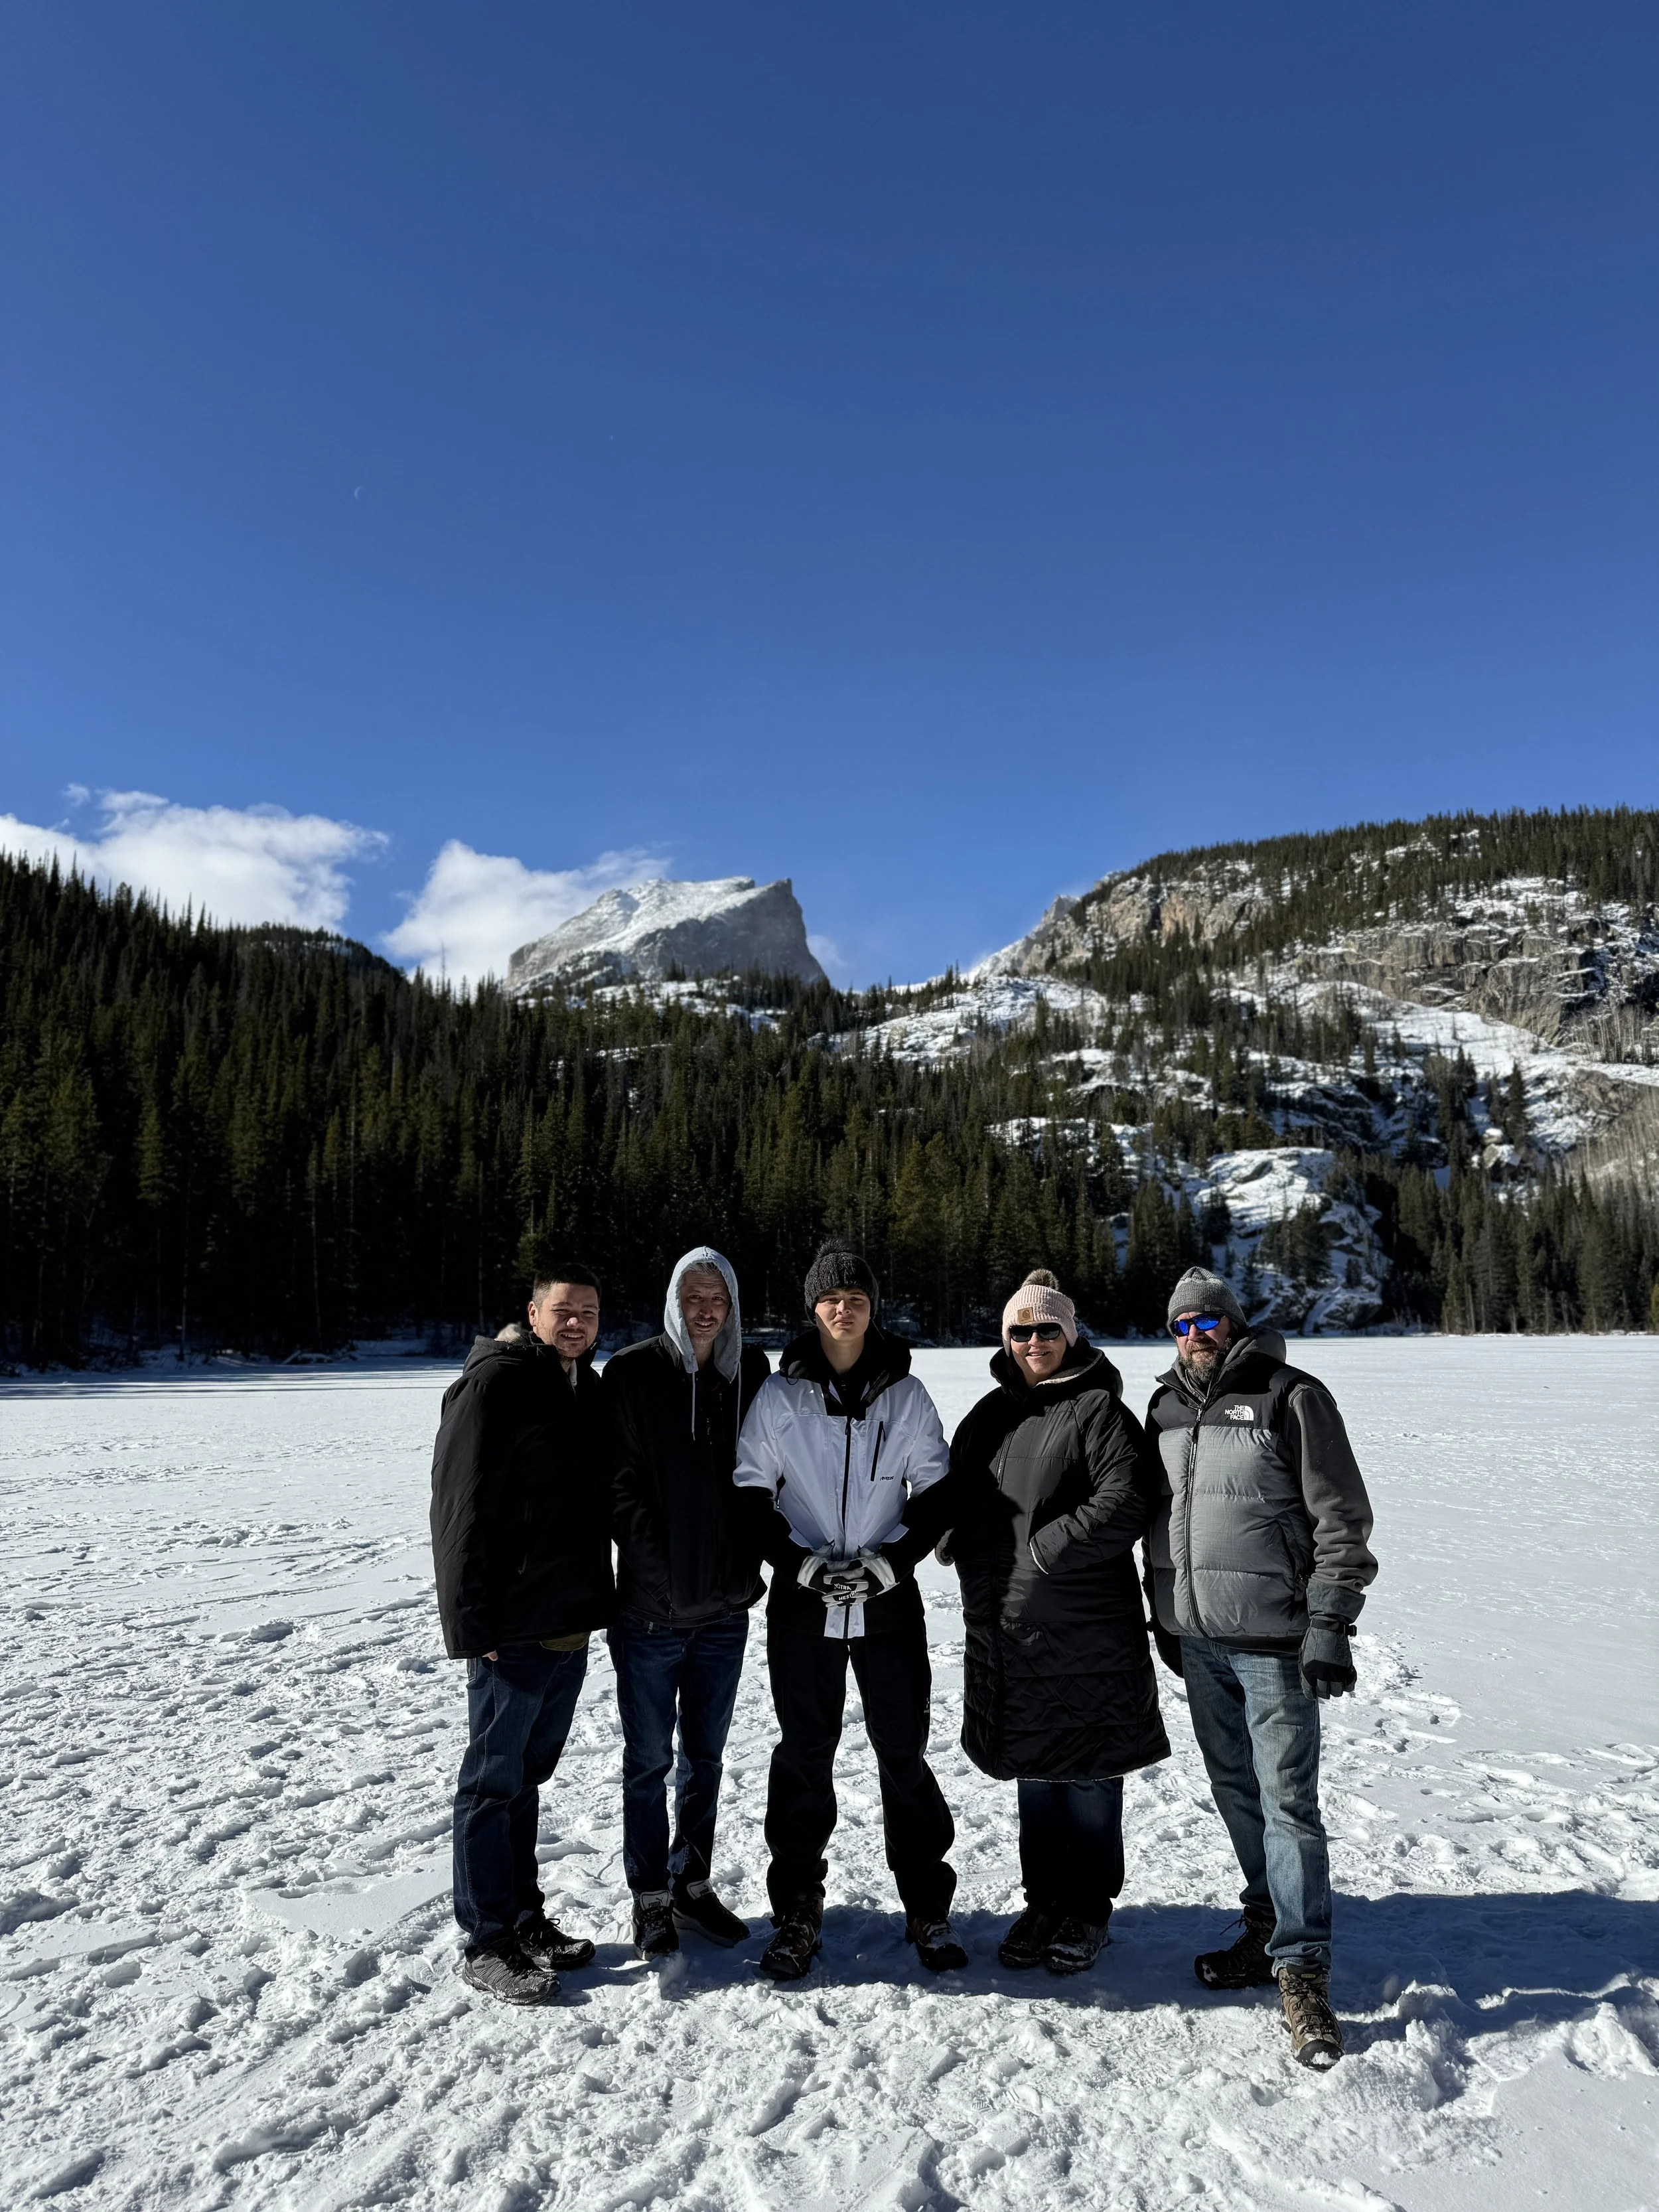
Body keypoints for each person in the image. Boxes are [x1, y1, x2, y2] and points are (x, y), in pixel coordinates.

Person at [1144, 1266, 1378, 2069]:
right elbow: (1160, 1521)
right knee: (1235, 1790)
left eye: (1207, 1322)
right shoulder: (1164, 1405)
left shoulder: (1291, 1396)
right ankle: (1263, 1926)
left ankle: (1303, 1971)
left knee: (1287, 1802)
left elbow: (1340, 1516)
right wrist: (1164, 1613)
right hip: (1197, 1639)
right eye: (1181, 1325)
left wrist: (1330, 1621)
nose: (1195, 1336)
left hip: (1275, 1639)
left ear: (1232, 1324)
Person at [733, 1241, 963, 1980]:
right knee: (803, 1757)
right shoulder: (778, 1396)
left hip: (888, 1607)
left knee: (903, 1755)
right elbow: (749, 1494)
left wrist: (890, 1565)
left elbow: (935, 1496)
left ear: (872, 1306)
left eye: (856, 1297)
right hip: (803, 1608)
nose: (843, 1308)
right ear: (813, 1307)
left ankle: (927, 1907)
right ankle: (796, 1912)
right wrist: (797, 1565)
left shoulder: (908, 1395)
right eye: (830, 1298)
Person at [947, 1270, 1169, 1976]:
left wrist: (1044, 1547)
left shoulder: (1099, 1411)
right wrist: (959, 1536)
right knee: (1034, 1771)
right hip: (1008, 1626)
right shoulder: (987, 1414)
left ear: (1070, 1336)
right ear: (1005, 1339)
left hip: (1086, 1629)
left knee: (1091, 1773)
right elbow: (960, 1492)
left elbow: (1127, 1499)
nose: (1034, 1341)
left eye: (1048, 1330)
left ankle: (1089, 1908)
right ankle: (1043, 1902)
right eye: (1021, 1331)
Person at [429, 1263, 616, 2005]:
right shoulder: (493, 1385)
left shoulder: (584, 1389)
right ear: (532, 1315)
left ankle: (524, 1918)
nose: (576, 1324)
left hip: (567, 1620)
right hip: (510, 1627)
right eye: (563, 1312)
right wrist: (473, 1626)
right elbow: (460, 1510)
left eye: (589, 1314)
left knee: (526, 1779)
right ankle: (486, 1938)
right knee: (490, 1782)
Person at [603, 1247, 770, 1959]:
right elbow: (619, 1487)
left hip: (725, 1613)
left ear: (731, 1306)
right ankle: (649, 1895)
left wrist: (747, 1569)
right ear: (674, 1299)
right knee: (647, 1761)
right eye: (693, 1295)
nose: (705, 1309)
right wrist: (661, 1577)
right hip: (650, 1614)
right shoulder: (634, 1372)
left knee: (705, 1757)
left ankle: (691, 1882)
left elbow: (768, 1477)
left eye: (718, 1298)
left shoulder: (750, 1375)